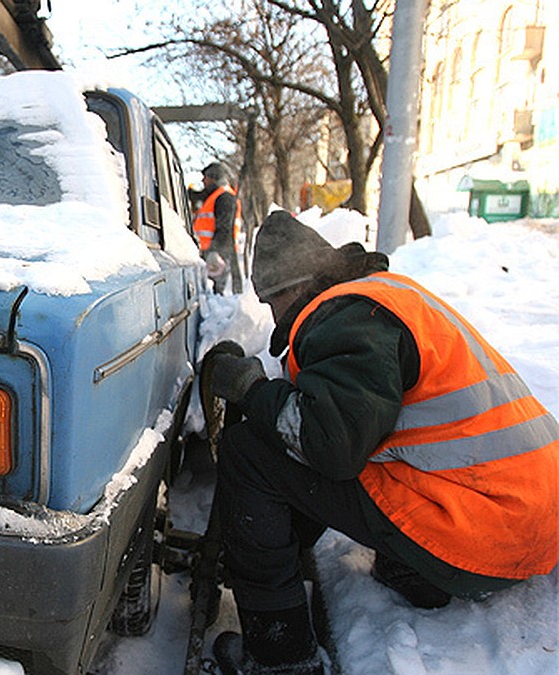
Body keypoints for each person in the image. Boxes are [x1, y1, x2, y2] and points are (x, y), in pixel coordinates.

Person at [203, 211, 558, 675]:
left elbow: (326, 445)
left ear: (295, 286)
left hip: (483, 535)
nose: (274, 316)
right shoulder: (390, 298)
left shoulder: (342, 317)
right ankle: (416, 571)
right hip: (528, 517)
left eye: (272, 301)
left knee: (251, 452)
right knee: (357, 443)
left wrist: (253, 391)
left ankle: (281, 656)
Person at [193, 162, 243, 294]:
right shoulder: (215, 196)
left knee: (217, 297)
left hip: (219, 256)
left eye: (206, 177)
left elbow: (225, 229)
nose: (203, 181)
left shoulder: (225, 198)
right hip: (212, 254)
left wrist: (216, 253)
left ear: (214, 178)